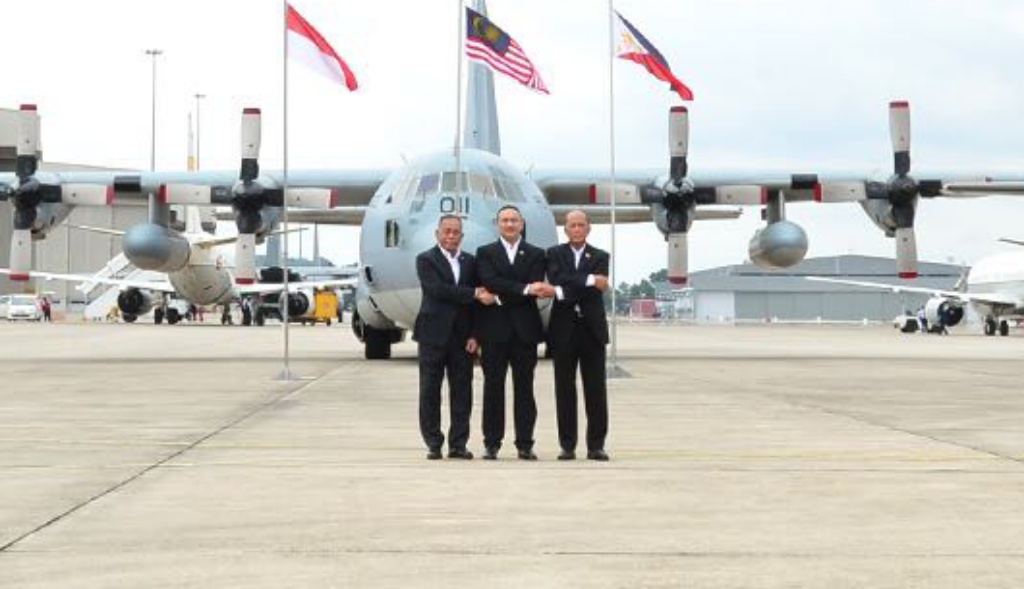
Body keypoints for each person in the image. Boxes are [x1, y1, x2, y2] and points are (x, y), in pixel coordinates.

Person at [414, 215, 495, 460]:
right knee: (430, 390)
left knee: (462, 391)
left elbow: (478, 306)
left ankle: (458, 444)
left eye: (456, 232)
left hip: (462, 338)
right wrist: (473, 293)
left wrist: (476, 335)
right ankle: (433, 442)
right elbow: (437, 290)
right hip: (432, 335)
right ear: (437, 233)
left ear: (462, 235)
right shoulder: (425, 259)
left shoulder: (471, 262)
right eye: (446, 231)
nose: (451, 236)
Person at [475, 205, 553, 460]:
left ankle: (525, 443)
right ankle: (491, 443)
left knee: (525, 390)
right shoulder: (485, 253)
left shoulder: (536, 254)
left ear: (521, 224)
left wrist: (500, 296)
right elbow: (489, 281)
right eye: (505, 220)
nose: (509, 224)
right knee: (492, 389)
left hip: (524, 332)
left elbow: (532, 286)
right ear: (497, 224)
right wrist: (524, 289)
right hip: (493, 332)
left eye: (513, 220)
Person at [546, 210, 611, 461]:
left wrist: (560, 291)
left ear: (588, 228)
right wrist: (590, 279)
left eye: (580, 225)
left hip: (592, 331)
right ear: (565, 229)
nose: (576, 229)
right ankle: (567, 445)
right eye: (572, 225)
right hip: (563, 331)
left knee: (596, 390)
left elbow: (593, 290)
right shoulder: (554, 254)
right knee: (564, 390)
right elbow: (557, 277)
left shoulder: (601, 256)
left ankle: (596, 445)